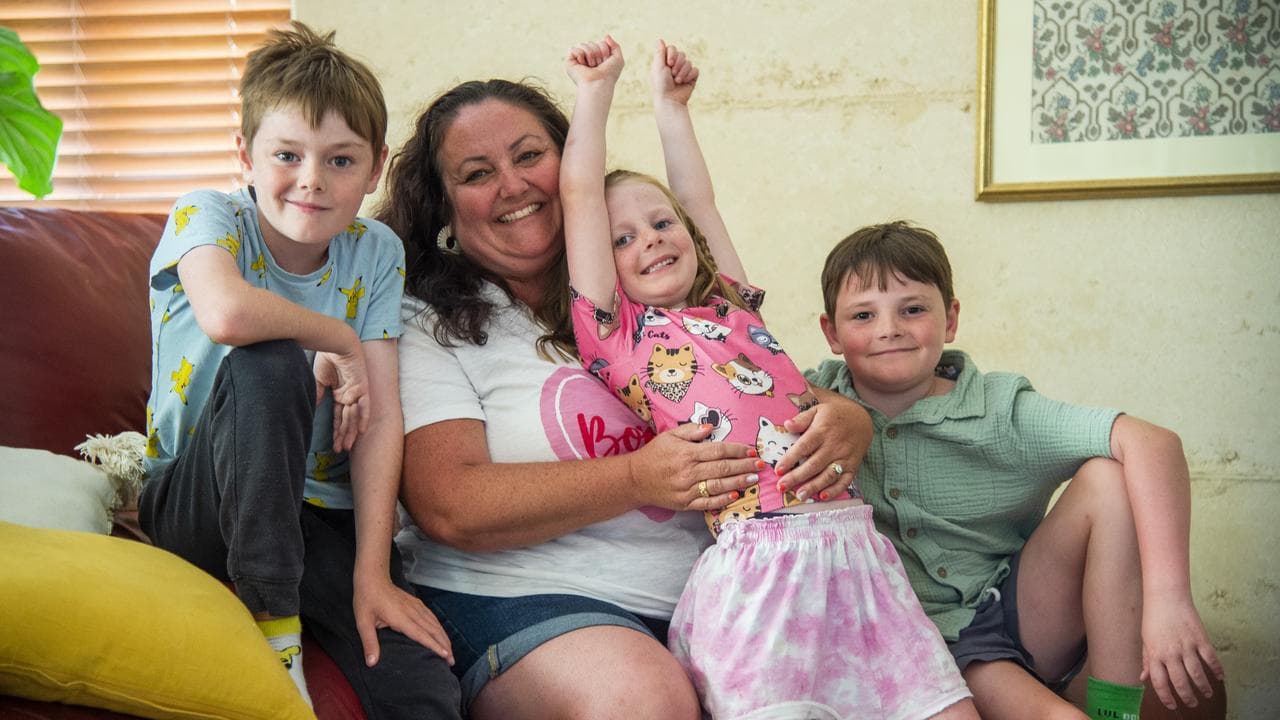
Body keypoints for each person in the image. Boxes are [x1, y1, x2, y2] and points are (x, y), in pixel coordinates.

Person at [377, 72, 870, 720]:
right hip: (525, 597)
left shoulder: (646, 288)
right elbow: (451, 506)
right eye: (477, 173)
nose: (513, 185)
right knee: (644, 699)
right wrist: (638, 477)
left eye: (530, 156)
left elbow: (761, 386)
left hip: (724, 593)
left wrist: (848, 418)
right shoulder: (427, 323)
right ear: (444, 207)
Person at [557, 36, 977, 720]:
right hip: (760, 565)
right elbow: (578, 196)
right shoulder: (621, 336)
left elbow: (698, 199)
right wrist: (595, 91)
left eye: (660, 223)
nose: (650, 238)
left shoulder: (731, 305)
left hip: (856, 551)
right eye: (622, 238)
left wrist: (671, 107)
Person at [136, 21, 461, 717]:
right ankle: (276, 630)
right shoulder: (207, 216)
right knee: (271, 361)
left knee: (421, 686)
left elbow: (380, 415)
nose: (311, 179)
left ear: (374, 168)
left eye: (340, 160)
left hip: (319, 514)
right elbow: (227, 314)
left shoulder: (375, 251)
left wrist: (373, 573)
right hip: (200, 498)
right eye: (287, 155)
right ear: (246, 155)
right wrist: (337, 337)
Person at [806, 221, 1226, 720]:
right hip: (919, 646)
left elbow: (1154, 442)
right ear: (831, 333)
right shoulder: (808, 404)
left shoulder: (1000, 410)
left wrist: (1168, 602)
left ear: (951, 319)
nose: (888, 328)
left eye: (913, 309)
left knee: (1109, 477)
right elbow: (743, 363)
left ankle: (1116, 708)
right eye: (863, 315)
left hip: (1019, 614)